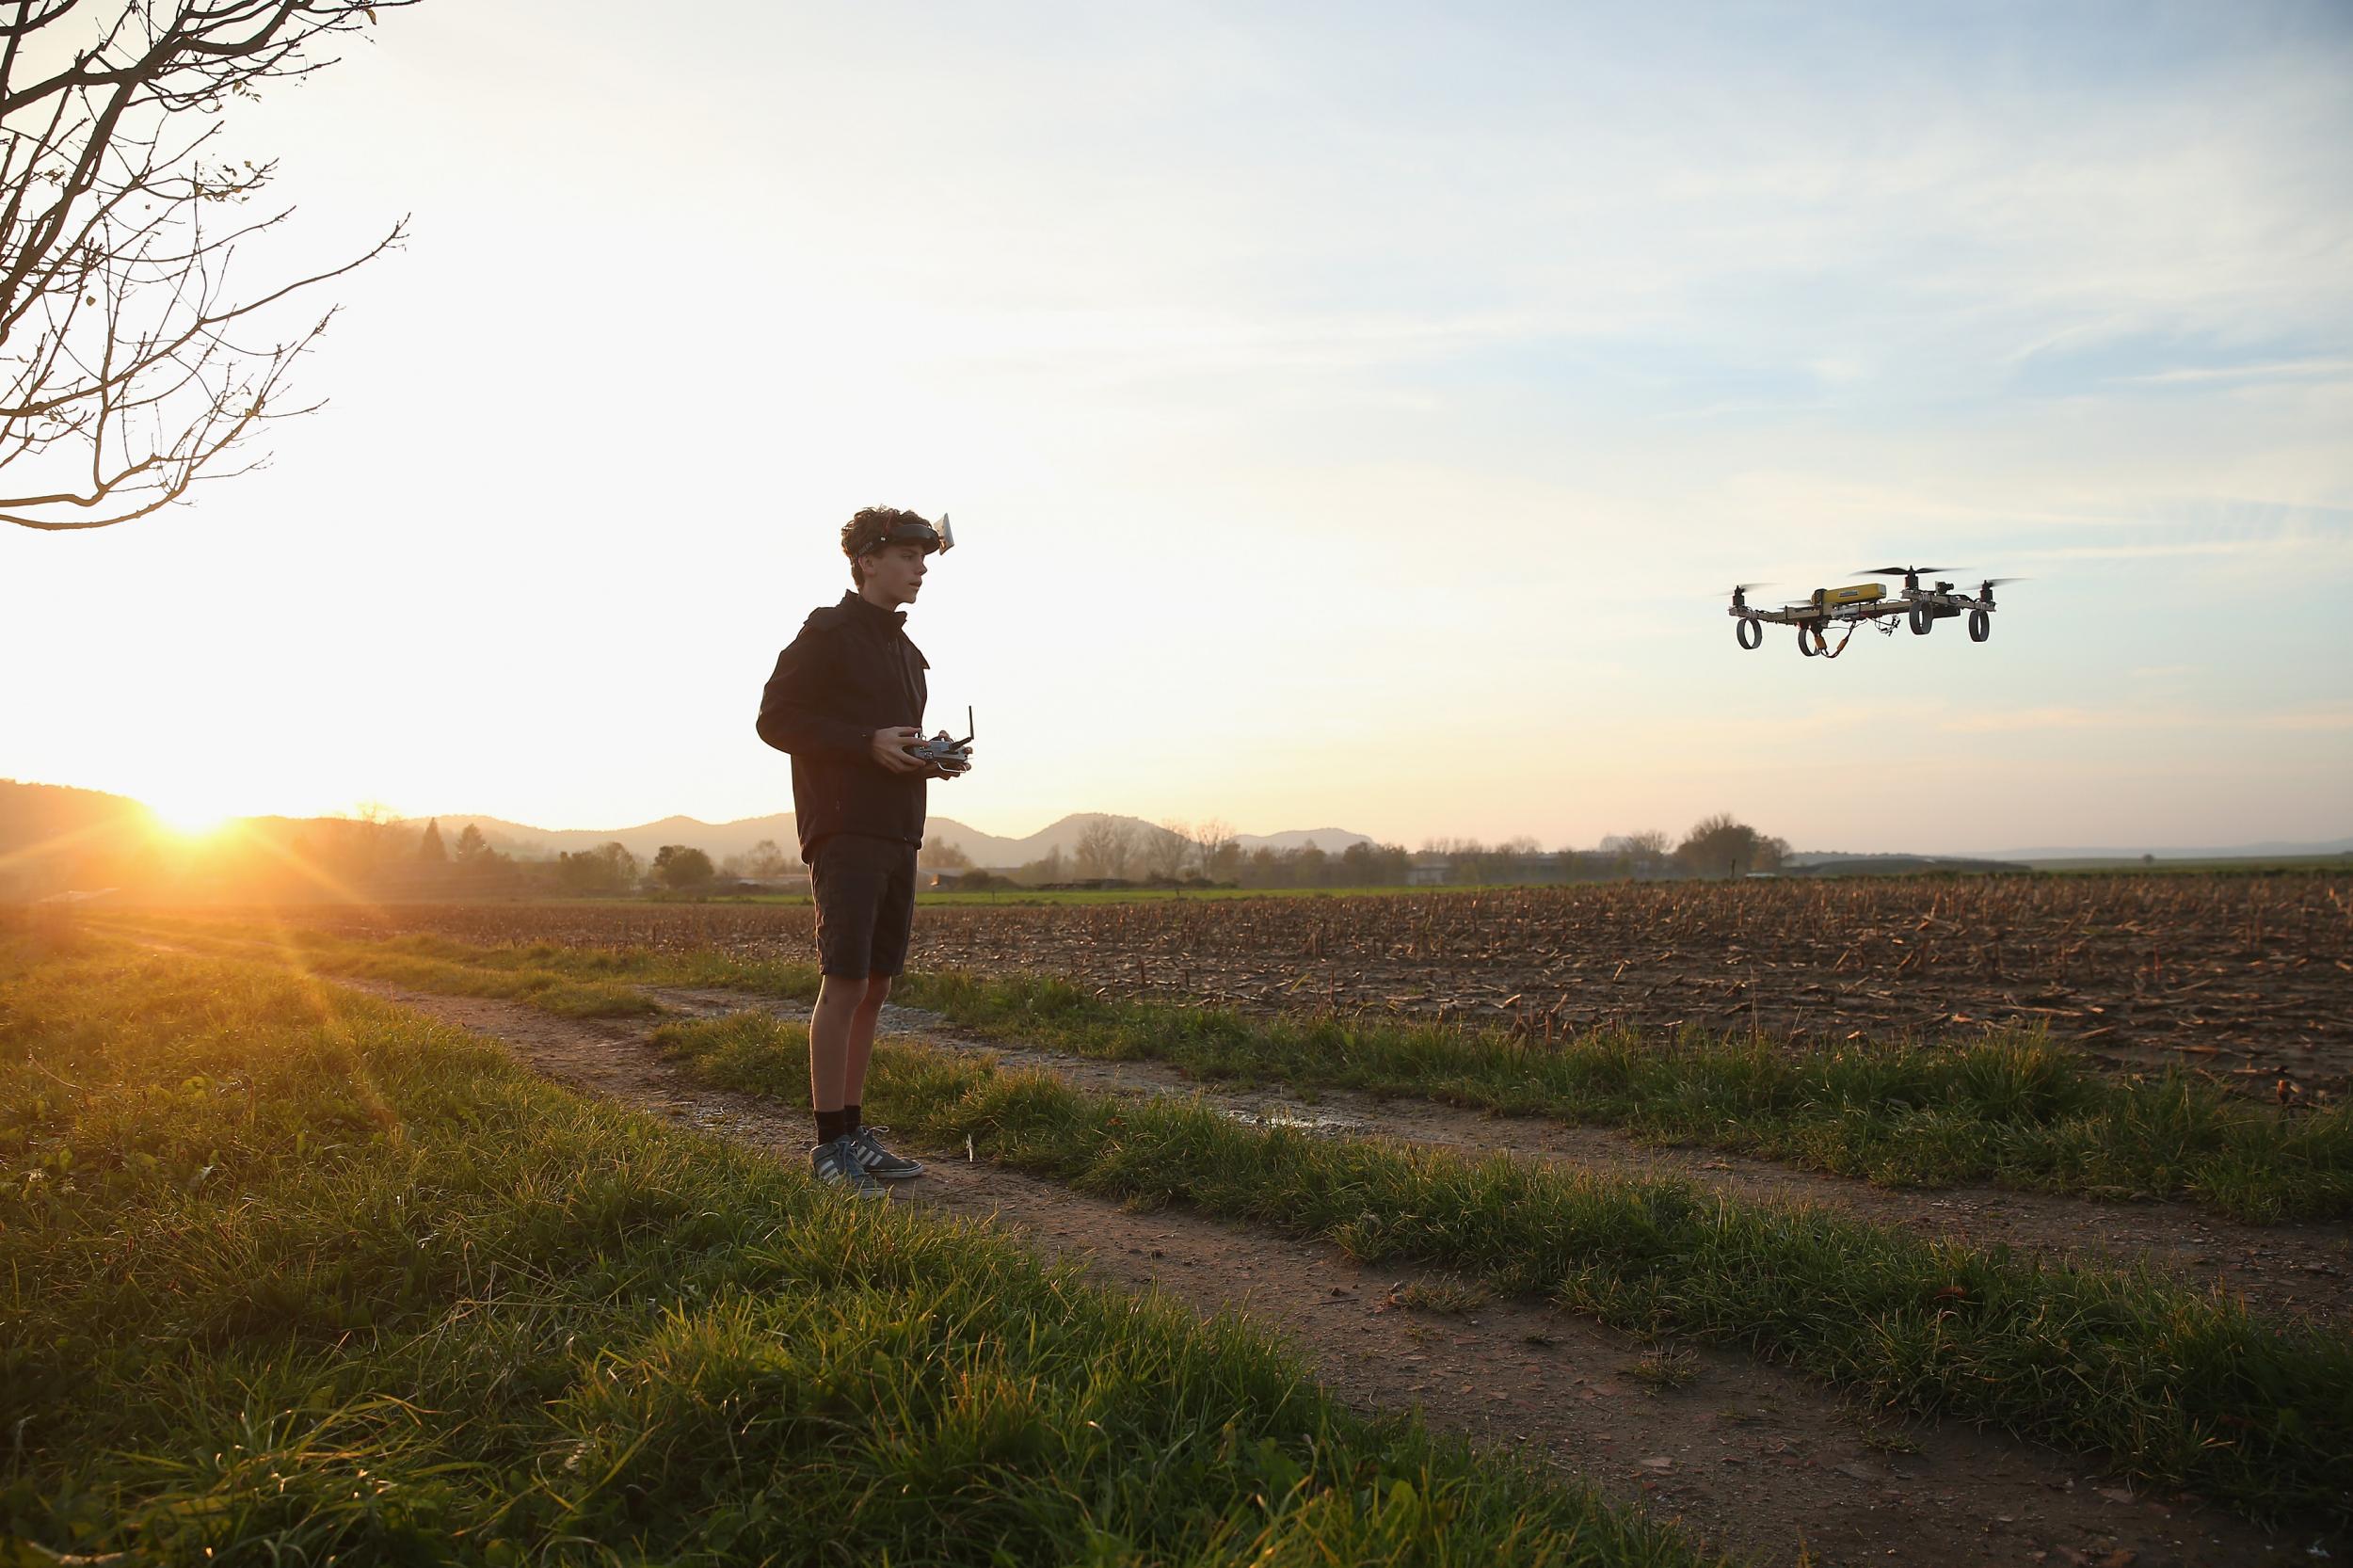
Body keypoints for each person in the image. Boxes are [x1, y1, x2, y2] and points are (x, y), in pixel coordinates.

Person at [756, 506, 968, 1196]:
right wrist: (864, 743)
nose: (920, 570)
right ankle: (827, 1148)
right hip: (843, 829)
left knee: (876, 986)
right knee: (843, 983)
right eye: (908, 557)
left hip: (897, 828)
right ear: (867, 560)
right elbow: (776, 718)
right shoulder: (828, 631)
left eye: (926, 559)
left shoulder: (907, 654)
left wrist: (928, 757)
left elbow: (889, 739)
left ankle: (854, 1133)